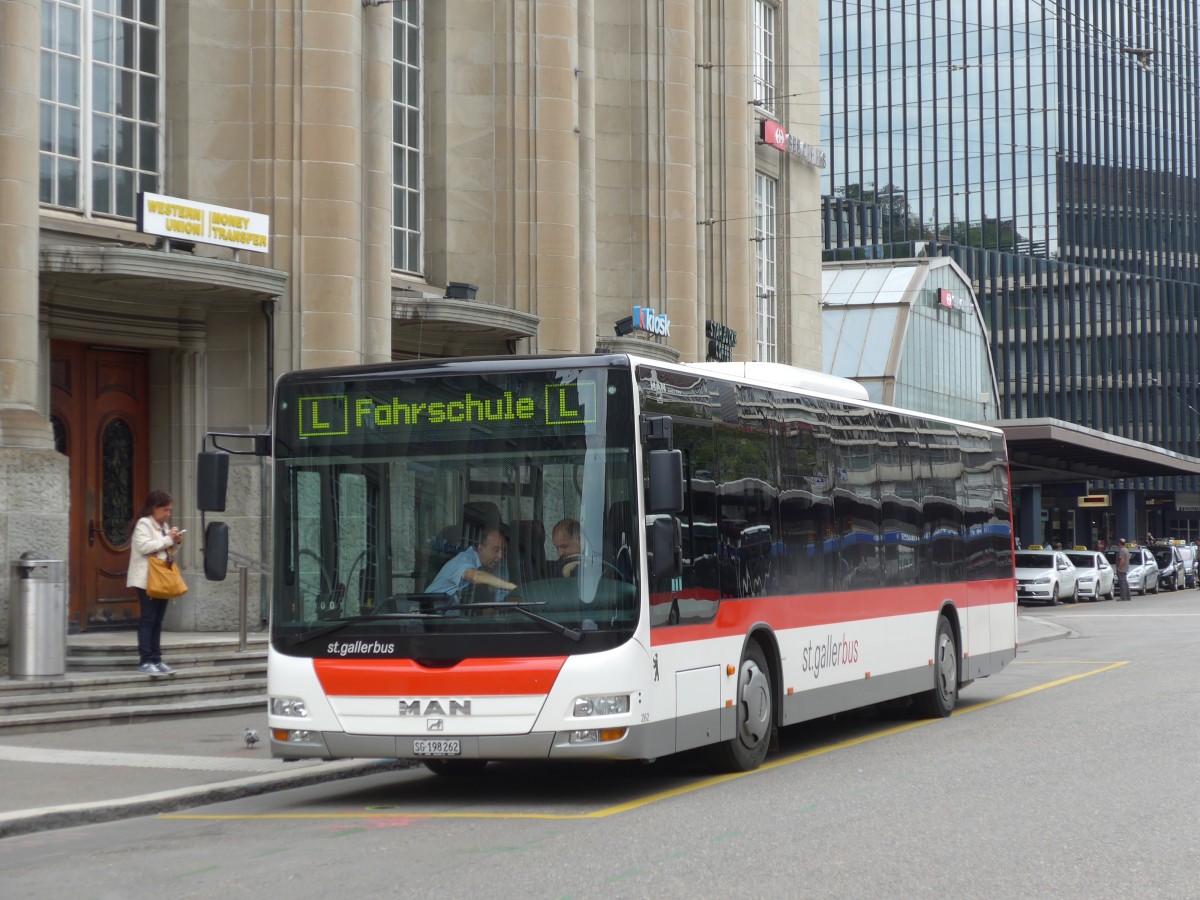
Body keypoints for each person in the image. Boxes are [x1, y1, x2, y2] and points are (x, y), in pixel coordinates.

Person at [126, 490, 184, 676]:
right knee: (149, 618)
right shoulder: (144, 524)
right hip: (146, 579)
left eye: (169, 510)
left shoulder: (163, 525)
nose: (168, 513)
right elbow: (144, 547)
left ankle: (157, 659)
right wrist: (168, 539)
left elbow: (164, 551)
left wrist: (175, 542)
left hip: (160, 578)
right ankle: (146, 660)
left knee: (157, 620)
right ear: (154, 508)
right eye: (165, 510)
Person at [425, 528, 515, 604]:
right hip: (428, 614)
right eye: (496, 550)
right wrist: (511, 587)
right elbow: (474, 576)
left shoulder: (482, 566)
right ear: (480, 549)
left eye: (502, 551)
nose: (501, 556)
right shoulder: (464, 559)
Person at [1115, 537, 1131, 602]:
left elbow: (1122, 560)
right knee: (1125, 583)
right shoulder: (1126, 550)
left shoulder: (1121, 550)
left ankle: (1123, 597)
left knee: (1122, 584)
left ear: (1120, 544)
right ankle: (1128, 596)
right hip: (1125, 569)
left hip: (1121, 569)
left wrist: (1119, 568)